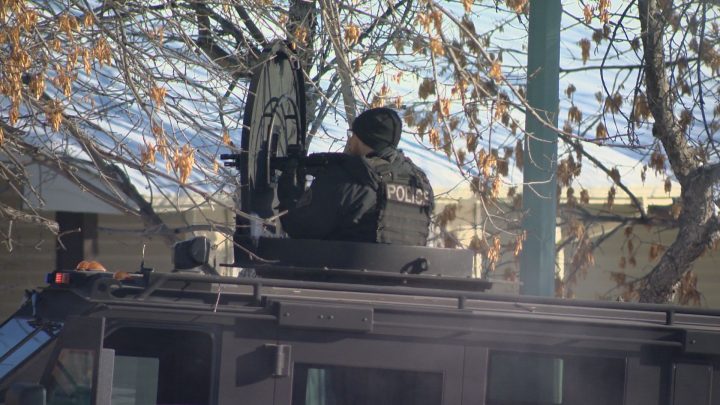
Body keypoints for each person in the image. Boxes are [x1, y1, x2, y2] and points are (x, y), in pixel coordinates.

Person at [279, 107, 434, 246]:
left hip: (342, 275)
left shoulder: (349, 178)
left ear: (360, 138)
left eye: (352, 134)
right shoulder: (420, 182)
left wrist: (289, 192)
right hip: (404, 277)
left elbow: (301, 227)